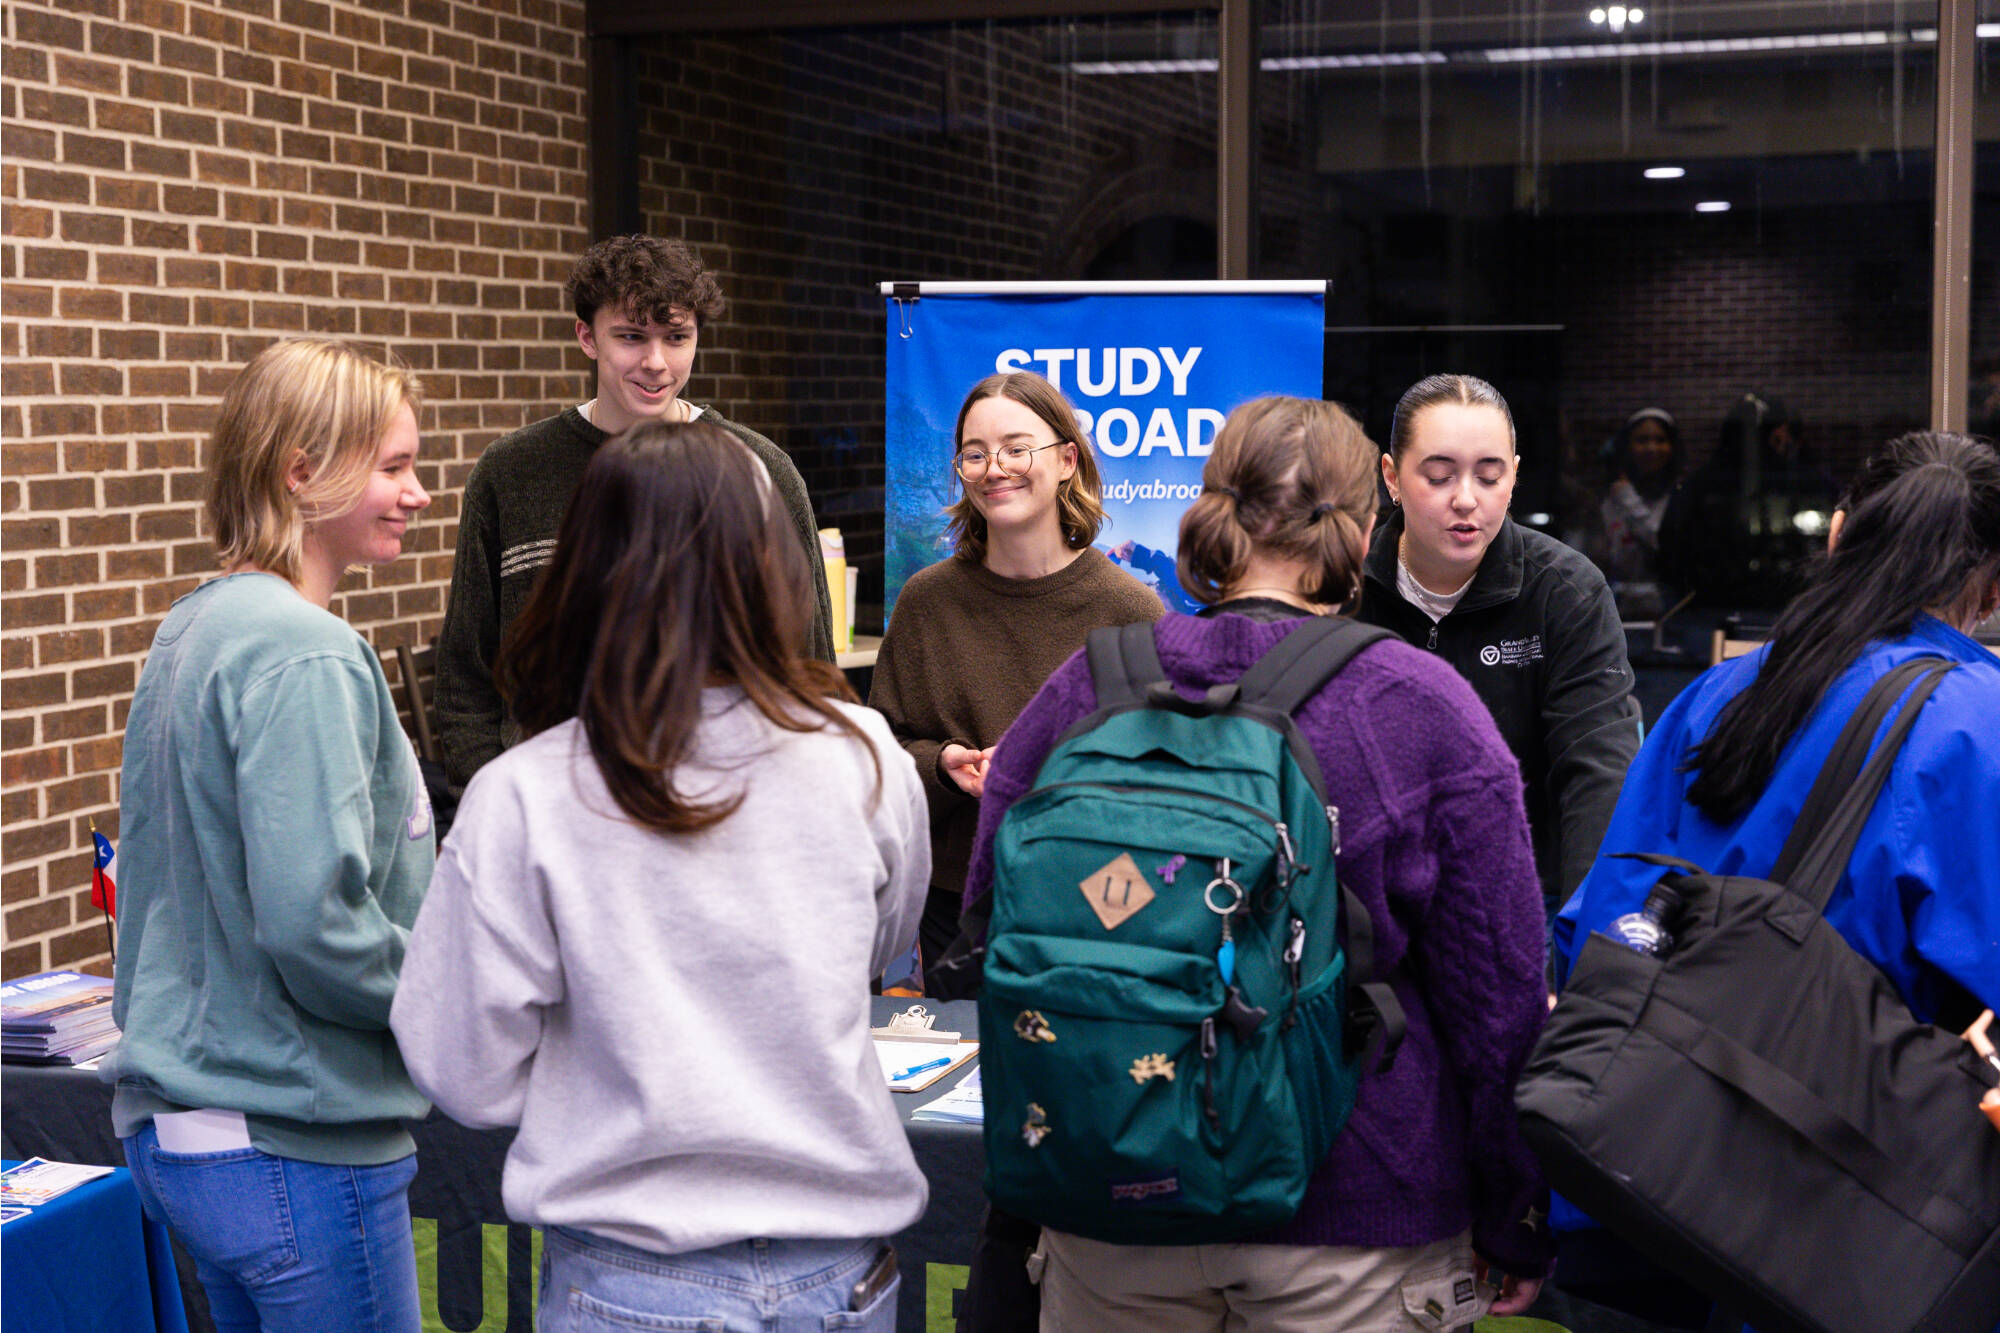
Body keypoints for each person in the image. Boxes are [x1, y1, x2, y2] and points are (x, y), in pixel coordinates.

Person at [963, 396, 1553, 1331]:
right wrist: (1516, 1209)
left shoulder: (1094, 679)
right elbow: (1502, 994)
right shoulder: (1418, 703)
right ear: (1364, 531)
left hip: (1111, 1184)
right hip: (1355, 1213)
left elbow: (991, 903)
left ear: (1212, 510)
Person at [390, 420, 930, 1333]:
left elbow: (457, 1064)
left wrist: (614, 1075)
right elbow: (875, 950)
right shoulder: (865, 758)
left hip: (630, 1274)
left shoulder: (525, 794)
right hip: (838, 1277)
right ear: (773, 567)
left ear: (588, 569)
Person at [103, 338, 437, 1333]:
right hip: (293, 1143)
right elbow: (314, 922)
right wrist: (453, 1005)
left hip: (186, 1137)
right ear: (300, 471)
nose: (417, 494)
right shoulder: (306, 651)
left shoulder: (196, 625)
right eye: (393, 466)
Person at [1557, 431, 2000, 1026]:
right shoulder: (1978, 722)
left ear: (1838, 534)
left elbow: (1603, 922)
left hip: (1667, 1088)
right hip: (1860, 1107)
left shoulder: (1719, 689)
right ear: (1994, 592)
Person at [434, 233, 836, 791]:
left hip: (722, 803)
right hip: (547, 804)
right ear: (587, 337)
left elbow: (808, 660)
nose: (655, 363)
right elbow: (466, 675)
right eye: (630, 337)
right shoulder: (512, 471)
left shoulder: (759, 468)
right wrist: (494, 793)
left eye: (677, 338)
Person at [868, 370, 1162, 974]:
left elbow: (1169, 779)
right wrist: (944, 767)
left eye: (1016, 448)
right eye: (974, 454)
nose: (993, 467)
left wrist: (1054, 776)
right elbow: (880, 757)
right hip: (959, 904)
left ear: (1066, 461)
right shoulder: (926, 603)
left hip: (1098, 903)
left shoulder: (1132, 612)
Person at [1358, 373, 1640, 911]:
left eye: (1489, 478)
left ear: (1514, 476)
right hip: (1370, 902)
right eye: (1439, 477)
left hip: (1520, 898)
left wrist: (1587, 938)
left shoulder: (1566, 591)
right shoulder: (1343, 583)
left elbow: (1600, 771)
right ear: (1391, 478)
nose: (1466, 500)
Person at [1657, 391, 1838, 612]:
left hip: (1720, 609)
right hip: (1764, 610)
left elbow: (1671, 551)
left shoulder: (1699, 485)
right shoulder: (1808, 483)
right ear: (1778, 435)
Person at [1596, 407, 1684, 620]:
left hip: (1669, 609)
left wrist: (1629, 500)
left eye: (1660, 440)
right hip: (1618, 608)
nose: (1652, 448)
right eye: (1642, 440)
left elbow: (1660, 543)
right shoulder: (1613, 498)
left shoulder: (1681, 495)